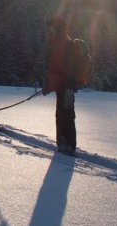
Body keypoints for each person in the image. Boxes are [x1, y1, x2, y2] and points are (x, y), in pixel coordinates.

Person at [44, 18, 77, 155]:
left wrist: (49, 86)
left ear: (56, 28)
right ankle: (68, 144)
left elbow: (56, 68)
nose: (50, 30)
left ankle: (65, 145)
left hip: (64, 86)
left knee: (64, 114)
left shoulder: (59, 42)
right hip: (68, 86)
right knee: (67, 113)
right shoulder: (67, 41)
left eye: (51, 28)